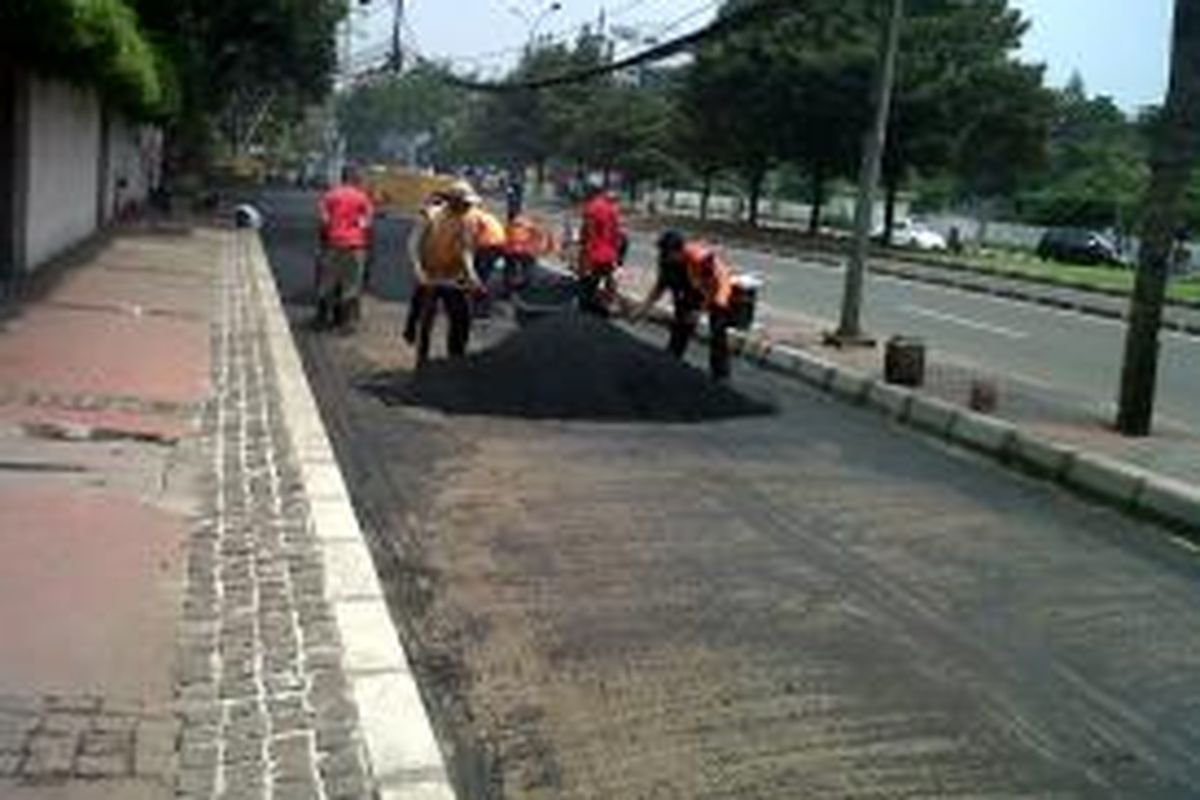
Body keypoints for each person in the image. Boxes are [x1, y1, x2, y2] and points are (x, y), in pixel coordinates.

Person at [632, 231, 735, 381]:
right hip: (692, 285)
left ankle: (720, 374)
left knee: (717, 329)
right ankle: (673, 359)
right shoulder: (667, 261)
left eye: (668, 253)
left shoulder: (700, 259)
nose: (664, 256)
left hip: (716, 288)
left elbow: (711, 288)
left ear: (679, 251)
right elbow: (660, 286)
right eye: (663, 253)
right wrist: (643, 308)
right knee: (681, 321)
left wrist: (699, 311)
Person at [408, 180, 483, 366]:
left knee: (461, 319)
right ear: (452, 200)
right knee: (424, 319)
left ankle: (455, 358)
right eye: (463, 202)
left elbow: (465, 250)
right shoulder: (430, 215)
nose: (467, 206)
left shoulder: (468, 219)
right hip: (430, 275)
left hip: (453, 276)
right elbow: (413, 244)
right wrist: (418, 270)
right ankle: (421, 357)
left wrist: (472, 276)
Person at [317, 164, 374, 332]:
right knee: (351, 285)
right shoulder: (362, 198)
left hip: (333, 245)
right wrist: (358, 233)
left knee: (327, 283)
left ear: (342, 178)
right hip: (355, 247)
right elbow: (366, 223)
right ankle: (346, 323)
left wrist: (326, 239)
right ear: (354, 178)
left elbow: (324, 221)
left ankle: (322, 319)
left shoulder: (329, 196)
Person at [576, 178, 623, 316]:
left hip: (594, 256)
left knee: (586, 290)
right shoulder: (610, 208)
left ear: (590, 191)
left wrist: (584, 261)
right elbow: (616, 233)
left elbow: (588, 236)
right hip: (608, 254)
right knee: (608, 280)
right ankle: (608, 307)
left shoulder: (590, 208)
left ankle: (586, 318)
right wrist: (615, 253)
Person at [467, 204, 507, 316]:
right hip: (499, 245)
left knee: (480, 275)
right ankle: (482, 303)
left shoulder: (473, 215)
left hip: (488, 246)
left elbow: (472, 235)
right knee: (486, 274)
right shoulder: (487, 215)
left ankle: (481, 308)